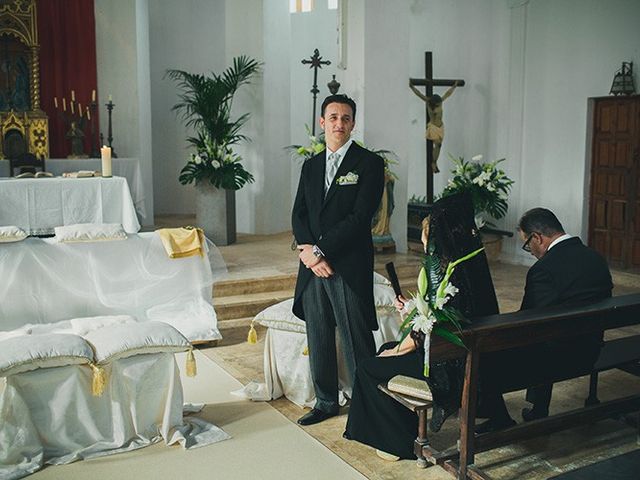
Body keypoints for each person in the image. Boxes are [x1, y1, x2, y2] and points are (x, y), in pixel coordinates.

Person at [344, 193, 499, 460]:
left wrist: (399, 351)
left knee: (370, 366)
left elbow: (432, 327)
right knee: (387, 347)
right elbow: (448, 313)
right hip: (474, 355)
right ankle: (405, 427)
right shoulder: (472, 261)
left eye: (427, 234)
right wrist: (413, 309)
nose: (424, 239)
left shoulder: (447, 272)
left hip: (450, 368)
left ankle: (399, 442)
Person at [291, 94, 385, 426]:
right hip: (313, 267)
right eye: (333, 117)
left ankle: (368, 404)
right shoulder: (311, 165)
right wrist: (308, 254)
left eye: (346, 118)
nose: (339, 124)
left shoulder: (369, 164)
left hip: (348, 263)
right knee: (318, 333)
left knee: (355, 336)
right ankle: (326, 401)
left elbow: (360, 218)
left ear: (353, 124)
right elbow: (299, 214)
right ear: (322, 122)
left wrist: (320, 251)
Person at [477, 208, 613, 434]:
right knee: (551, 334)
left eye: (527, 244)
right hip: (592, 350)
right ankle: (538, 407)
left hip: (560, 358)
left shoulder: (544, 269)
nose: (529, 250)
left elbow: (527, 322)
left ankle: (499, 417)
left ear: (537, 237)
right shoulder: (595, 258)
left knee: (483, 355)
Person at [409, 80, 458, 173]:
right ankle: (434, 163)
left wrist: (454, 86)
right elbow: (418, 94)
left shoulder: (440, 101)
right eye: (437, 105)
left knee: (439, 145)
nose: (439, 105)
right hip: (433, 127)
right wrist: (412, 87)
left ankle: (435, 162)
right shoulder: (428, 102)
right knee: (438, 144)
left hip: (440, 127)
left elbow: (448, 93)